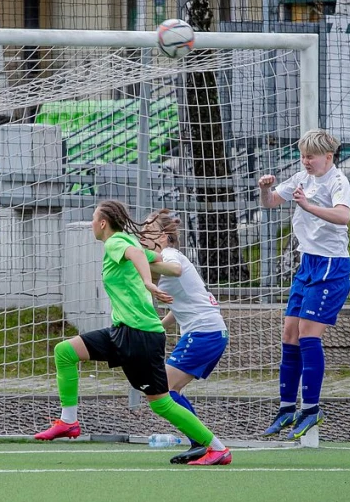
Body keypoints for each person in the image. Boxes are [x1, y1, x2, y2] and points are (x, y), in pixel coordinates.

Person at [33, 200, 232, 466]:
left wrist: (147, 280)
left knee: (161, 401)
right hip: (126, 331)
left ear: (103, 223)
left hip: (144, 334)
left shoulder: (117, 242)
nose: (143, 234)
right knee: (65, 351)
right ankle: (69, 421)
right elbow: (151, 258)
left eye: (93, 218)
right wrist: (146, 265)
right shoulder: (131, 245)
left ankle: (214, 447)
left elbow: (154, 259)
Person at [257, 129, 350, 441]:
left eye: (310, 156)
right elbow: (271, 202)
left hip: (331, 266)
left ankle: (311, 409)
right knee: (289, 334)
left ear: (328, 156)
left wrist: (309, 206)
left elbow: (343, 216)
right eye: (303, 156)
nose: (305, 161)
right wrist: (265, 189)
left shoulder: (338, 181)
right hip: (308, 264)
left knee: (308, 336)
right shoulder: (302, 178)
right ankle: (287, 408)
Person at [140, 209, 229, 464]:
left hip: (205, 333)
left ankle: (208, 445)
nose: (142, 234)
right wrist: (161, 325)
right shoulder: (164, 258)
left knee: (164, 390)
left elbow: (176, 270)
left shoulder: (170, 255)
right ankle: (201, 444)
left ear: (164, 236)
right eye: (142, 230)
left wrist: (140, 263)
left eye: (149, 230)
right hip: (209, 332)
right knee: (170, 390)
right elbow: (181, 304)